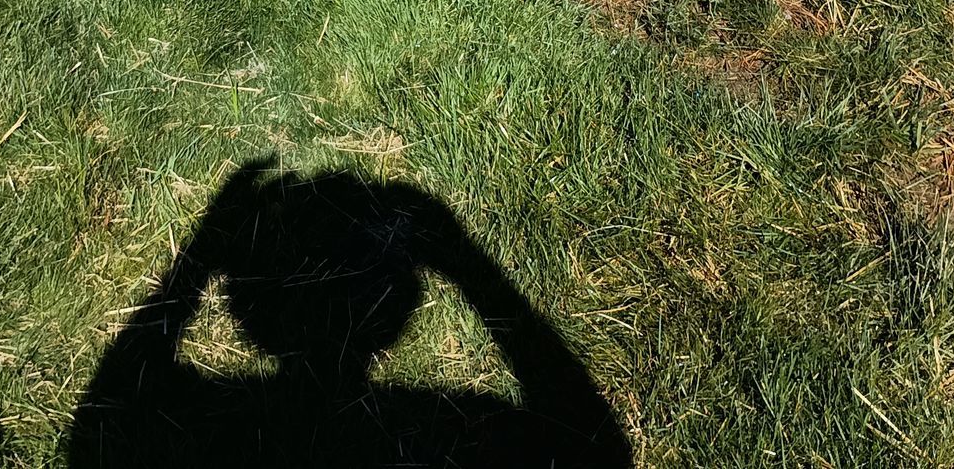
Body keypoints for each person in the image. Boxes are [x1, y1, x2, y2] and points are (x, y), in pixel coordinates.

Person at [67, 158, 632, 468]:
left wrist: (195, 260)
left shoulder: (200, 427)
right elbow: (594, 443)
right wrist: (467, 266)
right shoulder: (460, 429)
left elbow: (107, 412)